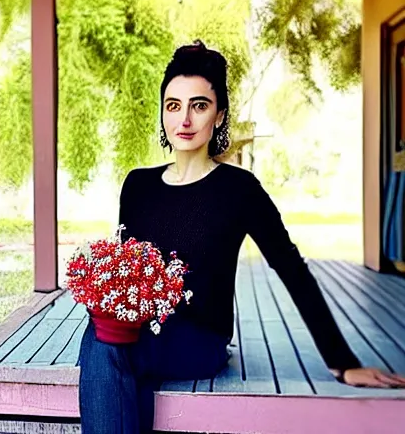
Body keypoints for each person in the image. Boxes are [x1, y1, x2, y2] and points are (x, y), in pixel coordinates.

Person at [78, 41, 405, 434]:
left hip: (200, 341)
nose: (184, 119)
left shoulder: (238, 189)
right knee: (103, 336)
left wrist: (343, 361)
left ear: (219, 116)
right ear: (163, 112)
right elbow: (125, 276)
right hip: (141, 335)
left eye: (199, 106)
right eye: (173, 105)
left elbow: (291, 268)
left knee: (103, 347)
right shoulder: (138, 185)